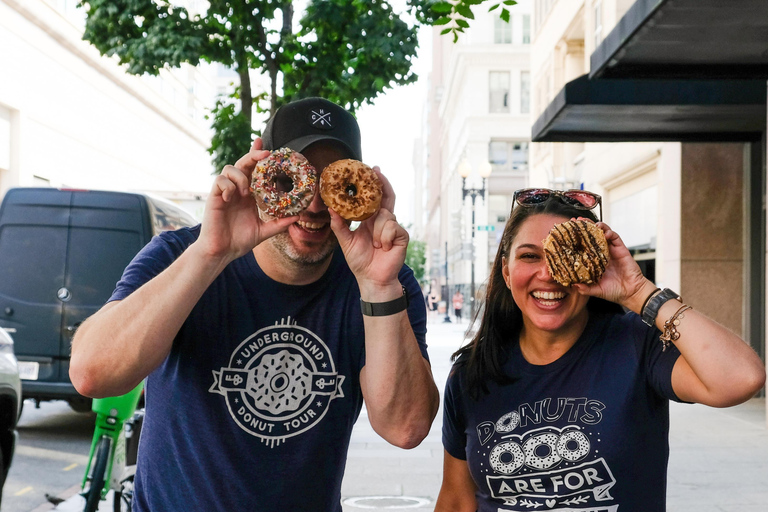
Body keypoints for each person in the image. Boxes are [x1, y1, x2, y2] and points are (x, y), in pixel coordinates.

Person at [69, 97, 440, 511]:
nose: (314, 205)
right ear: (261, 172)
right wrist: (210, 254)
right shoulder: (180, 254)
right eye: (294, 180)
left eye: (331, 184)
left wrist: (378, 286)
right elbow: (91, 375)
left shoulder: (381, 280)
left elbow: (406, 428)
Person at [434, 188, 765, 512]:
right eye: (530, 256)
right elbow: (456, 500)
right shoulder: (471, 373)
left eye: (566, 256)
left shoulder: (638, 344)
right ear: (506, 272)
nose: (549, 274)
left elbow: (741, 379)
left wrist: (640, 293)